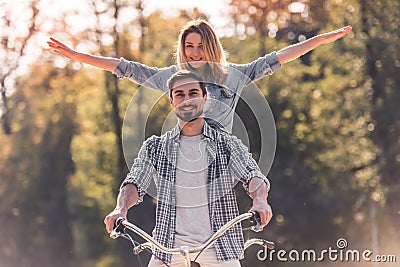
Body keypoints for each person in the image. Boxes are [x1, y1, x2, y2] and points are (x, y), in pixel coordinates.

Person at [48, 19, 352, 132]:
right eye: (189, 46)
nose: (194, 52)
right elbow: (123, 67)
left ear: (211, 46)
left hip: (221, 157)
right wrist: (77, 56)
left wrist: (320, 40)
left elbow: (278, 57)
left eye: (200, 46)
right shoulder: (173, 77)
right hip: (185, 155)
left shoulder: (233, 75)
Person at [104, 70, 272, 266]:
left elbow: (252, 174)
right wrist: (120, 209)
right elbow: (135, 181)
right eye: (180, 94)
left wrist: (260, 201)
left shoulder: (226, 144)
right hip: (167, 246)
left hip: (219, 247)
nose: (187, 99)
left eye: (193, 93)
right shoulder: (156, 147)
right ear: (171, 101)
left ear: (205, 98)